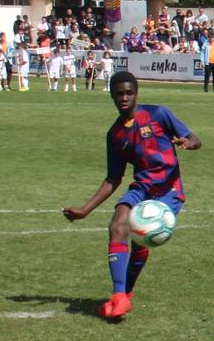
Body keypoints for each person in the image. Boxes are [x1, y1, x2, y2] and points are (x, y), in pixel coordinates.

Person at [62, 71, 202, 322]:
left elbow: (195, 139)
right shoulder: (115, 135)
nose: (124, 97)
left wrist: (188, 143)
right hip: (142, 188)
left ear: (137, 94)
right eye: (119, 93)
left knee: (139, 239)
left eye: (129, 92)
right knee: (117, 225)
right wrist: (85, 210)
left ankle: (125, 293)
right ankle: (119, 297)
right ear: (112, 96)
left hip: (168, 190)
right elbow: (113, 178)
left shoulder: (158, 114)